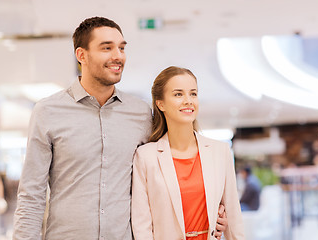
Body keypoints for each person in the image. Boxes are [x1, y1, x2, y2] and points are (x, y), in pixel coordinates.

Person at [13, 17, 227, 240]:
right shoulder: (48, 111)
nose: (118, 56)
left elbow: (167, 177)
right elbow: (31, 196)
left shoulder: (141, 113)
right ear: (81, 55)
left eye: (121, 48)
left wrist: (212, 213)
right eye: (107, 48)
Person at [131, 66, 245, 240]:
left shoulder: (220, 152)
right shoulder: (146, 157)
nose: (188, 100)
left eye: (193, 94)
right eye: (178, 94)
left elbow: (233, 217)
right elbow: (142, 227)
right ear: (160, 104)